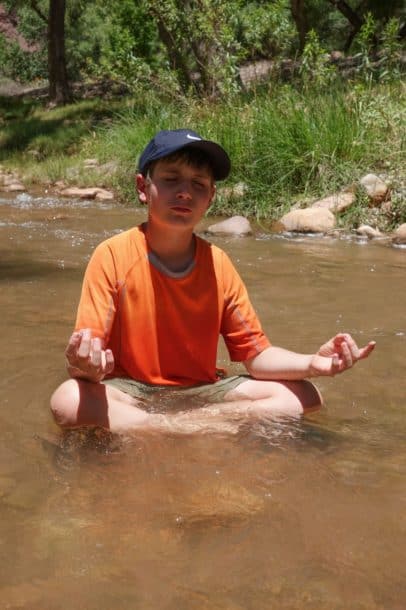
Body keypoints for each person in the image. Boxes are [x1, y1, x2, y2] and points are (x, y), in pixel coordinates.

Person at [50, 128, 375, 434]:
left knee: (306, 395)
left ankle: (171, 426)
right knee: (68, 399)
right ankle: (192, 427)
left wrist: (313, 363)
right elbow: (86, 365)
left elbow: (257, 357)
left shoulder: (218, 264)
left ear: (211, 196)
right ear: (142, 188)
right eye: (171, 179)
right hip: (131, 391)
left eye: (198, 184)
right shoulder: (112, 255)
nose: (185, 193)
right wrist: (84, 366)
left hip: (201, 391)